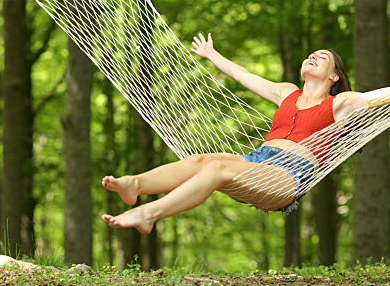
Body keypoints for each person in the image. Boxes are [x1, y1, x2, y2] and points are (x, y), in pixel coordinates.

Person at [101, 33, 367, 234]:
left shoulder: (340, 103)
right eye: (310, 55)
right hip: (258, 160)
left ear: (334, 77)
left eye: (322, 58)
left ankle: (149, 213)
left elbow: (380, 97)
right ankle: (135, 185)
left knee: (217, 168)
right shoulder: (288, 92)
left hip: (288, 176)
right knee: (200, 161)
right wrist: (211, 54)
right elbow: (243, 75)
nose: (312, 57)